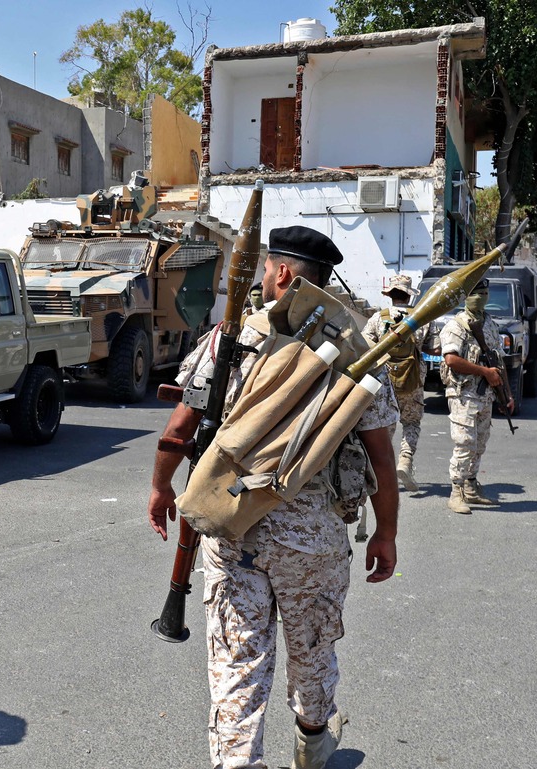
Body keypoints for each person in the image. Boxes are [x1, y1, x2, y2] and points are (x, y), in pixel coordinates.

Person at [148, 225, 400, 769]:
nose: (262, 277)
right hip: (312, 538)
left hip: (230, 524)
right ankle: (311, 740)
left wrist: (160, 487)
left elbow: (180, 428)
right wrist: (386, 532)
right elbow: (381, 456)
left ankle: (238, 763)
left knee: (238, 662)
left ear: (283, 274)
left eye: (265, 268)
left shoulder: (229, 338)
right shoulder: (359, 353)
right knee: (311, 649)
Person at [439, 279, 515, 515]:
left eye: (484, 292)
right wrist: (484, 372)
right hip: (464, 394)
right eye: (476, 293)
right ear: (465, 297)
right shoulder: (455, 326)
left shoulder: (490, 323)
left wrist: (507, 395)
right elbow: (451, 360)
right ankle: (456, 492)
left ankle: (471, 487)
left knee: (480, 443)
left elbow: (498, 361)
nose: (481, 297)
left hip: (486, 395)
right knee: (464, 443)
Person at [362, 274, 427, 491]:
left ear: (390, 295)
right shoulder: (422, 317)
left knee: (385, 426)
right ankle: (405, 462)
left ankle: (383, 472)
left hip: (384, 380)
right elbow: (434, 346)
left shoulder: (378, 318)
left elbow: (365, 345)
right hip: (413, 381)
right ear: (409, 295)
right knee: (411, 423)